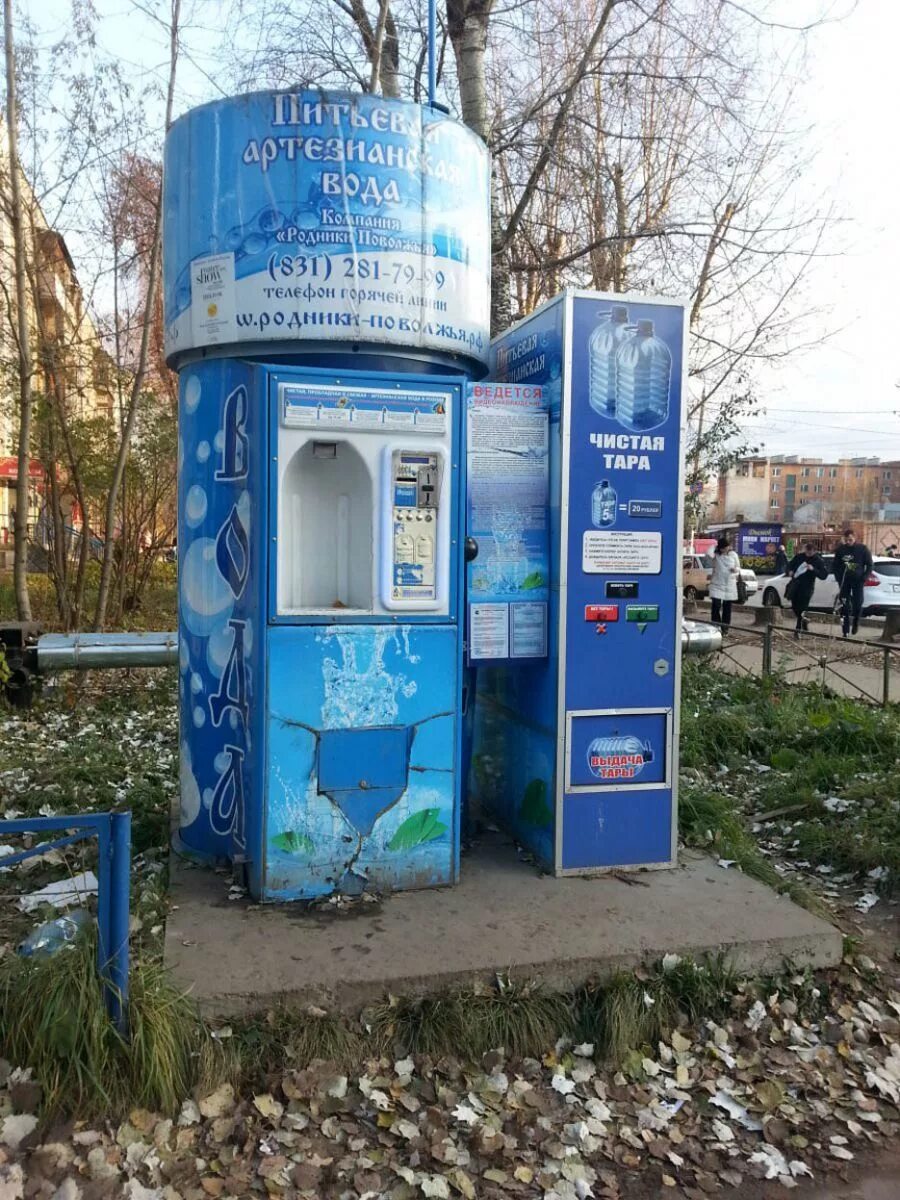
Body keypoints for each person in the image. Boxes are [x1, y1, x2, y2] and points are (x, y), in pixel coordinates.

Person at [832, 529, 873, 637]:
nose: (848, 542)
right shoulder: (841, 550)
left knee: (858, 604)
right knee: (844, 605)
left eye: (850, 539)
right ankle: (845, 630)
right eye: (846, 540)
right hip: (844, 581)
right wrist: (838, 578)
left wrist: (864, 577)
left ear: (854, 538)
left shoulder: (862, 549)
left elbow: (869, 565)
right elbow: (835, 566)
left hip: (858, 581)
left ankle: (856, 621)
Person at [786, 542, 827, 637]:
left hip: (807, 587)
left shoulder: (818, 560)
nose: (807, 554)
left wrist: (813, 569)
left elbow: (823, 575)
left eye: (809, 552)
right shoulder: (799, 557)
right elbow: (790, 565)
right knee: (794, 606)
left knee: (802, 608)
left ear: (814, 551)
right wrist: (790, 571)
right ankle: (803, 621)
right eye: (806, 552)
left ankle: (798, 630)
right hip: (796, 585)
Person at [709, 535, 740, 627]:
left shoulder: (734, 555)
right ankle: (716, 625)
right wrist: (716, 546)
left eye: (727, 547)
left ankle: (725, 627)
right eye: (724, 548)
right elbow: (708, 552)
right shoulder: (716, 555)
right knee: (716, 606)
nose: (726, 549)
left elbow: (738, 567)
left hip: (729, 584)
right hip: (717, 584)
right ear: (720, 548)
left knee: (727, 607)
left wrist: (735, 570)